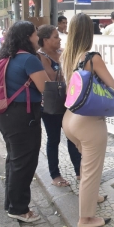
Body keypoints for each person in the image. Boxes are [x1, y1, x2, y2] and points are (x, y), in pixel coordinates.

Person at [61, 13, 114, 227]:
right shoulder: (93, 58)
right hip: (89, 121)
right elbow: (113, 86)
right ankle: (86, 219)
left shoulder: (67, 55)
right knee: (91, 170)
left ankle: (92, 198)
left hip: (69, 119)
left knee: (86, 166)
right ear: (89, 32)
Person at [0, 21, 50, 222]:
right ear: (27, 37)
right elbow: (46, 88)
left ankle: (12, 203)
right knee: (25, 162)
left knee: (15, 159)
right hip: (22, 116)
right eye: (35, 35)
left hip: (4, 114)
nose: (37, 38)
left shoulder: (5, 55)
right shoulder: (29, 60)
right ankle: (19, 209)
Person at [37, 25, 81, 187]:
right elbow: (50, 79)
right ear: (45, 40)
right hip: (51, 104)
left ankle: (79, 171)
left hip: (68, 101)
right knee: (53, 138)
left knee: (72, 136)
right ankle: (55, 175)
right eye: (56, 36)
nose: (60, 38)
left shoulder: (63, 53)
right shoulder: (40, 57)